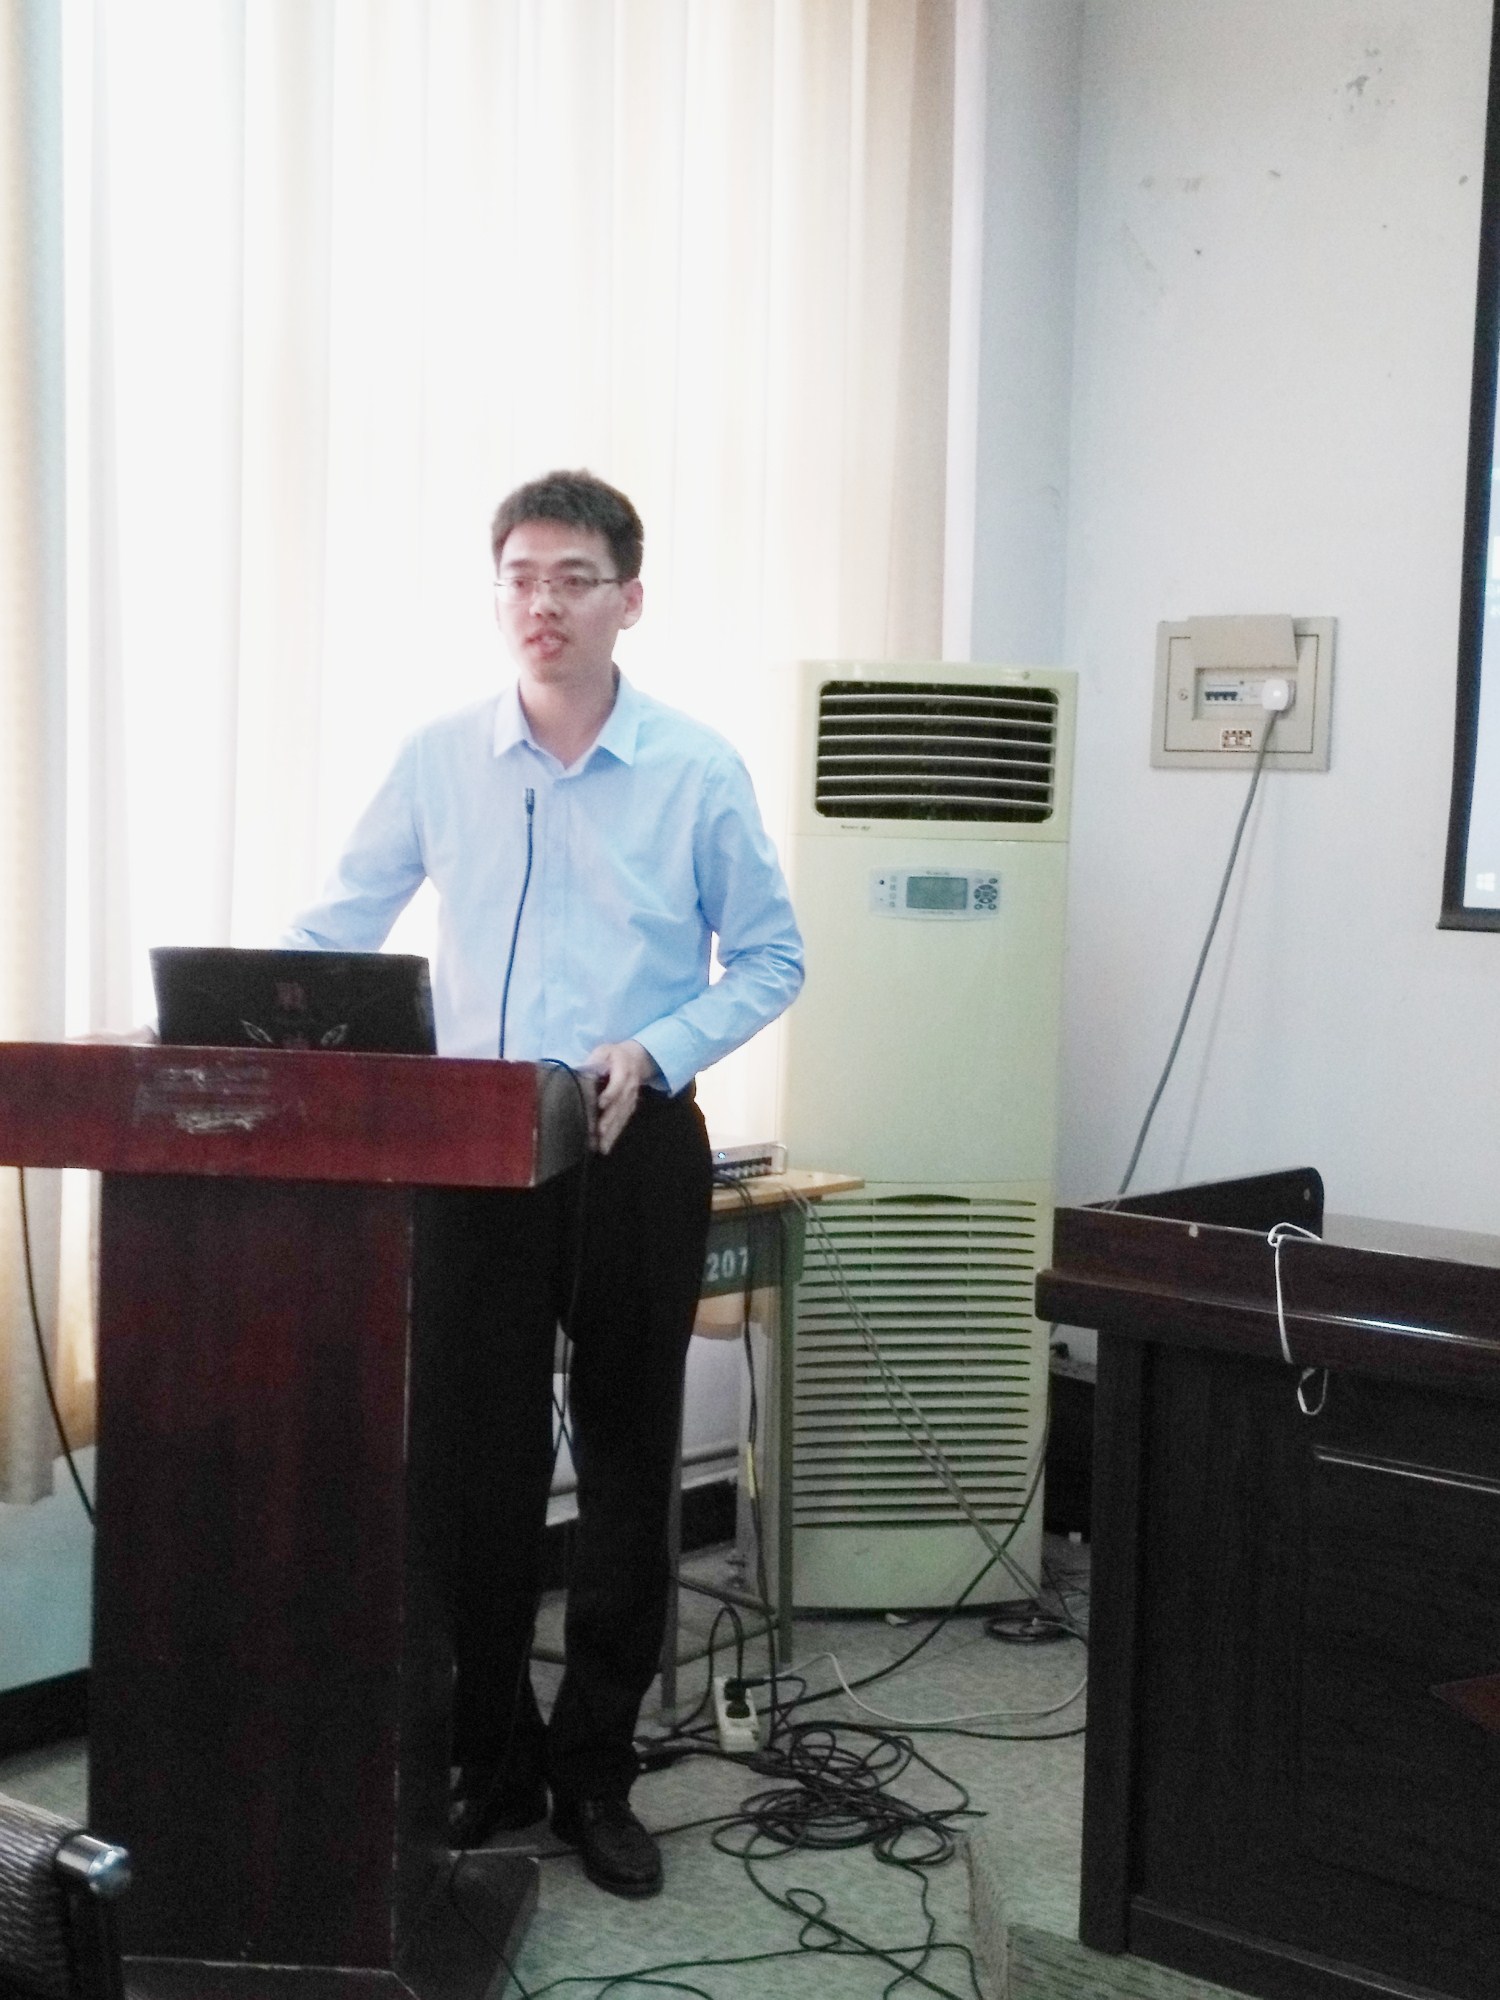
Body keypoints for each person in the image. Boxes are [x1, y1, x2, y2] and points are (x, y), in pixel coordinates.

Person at [284, 469, 803, 1899]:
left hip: (635, 1144)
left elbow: (771, 957)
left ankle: (596, 1771)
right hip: (476, 1152)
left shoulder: (694, 769)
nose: (543, 603)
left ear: (630, 600)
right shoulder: (443, 758)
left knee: (629, 1463)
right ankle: (494, 1754)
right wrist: (220, 1013)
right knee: (476, 1472)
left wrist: (659, 1044)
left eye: (574, 578)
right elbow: (333, 933)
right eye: (520, 576)